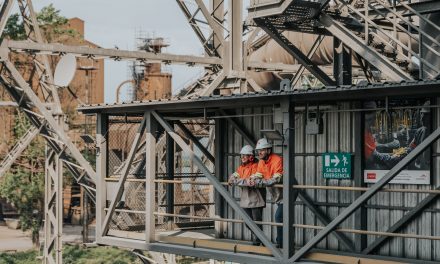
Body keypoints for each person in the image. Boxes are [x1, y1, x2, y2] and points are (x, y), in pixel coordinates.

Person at [228, 145, 266, 246]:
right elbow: (235, 176)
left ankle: (258, 242)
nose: (243, 158)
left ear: (251, 157)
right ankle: (262, 240)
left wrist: (238, 181)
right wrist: (232, 178)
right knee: (248, 222)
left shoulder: (257, 166)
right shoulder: (242, 167)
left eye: (245, 156)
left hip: (256, 199)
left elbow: (250, 181)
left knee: (257, 223)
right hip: (245, 200)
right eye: (242, 156)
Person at [250, 137, 283, 248]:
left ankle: (282, 243)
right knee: (283, 217)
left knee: (279, 216)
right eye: (259, 150)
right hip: (278, 193)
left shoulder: (277, 160)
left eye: (262, 150)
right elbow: (259, 175)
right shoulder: (261, 162)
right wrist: (253, 178)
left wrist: (262, 182)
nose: (260, 152)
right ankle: (285, 242)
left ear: (268, 150)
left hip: (288, 192)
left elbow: (276, 178)